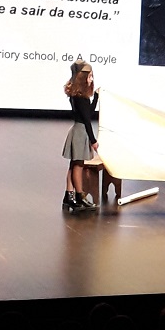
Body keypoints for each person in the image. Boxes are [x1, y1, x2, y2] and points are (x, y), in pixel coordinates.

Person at [62, 57, 99, 214]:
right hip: (81, 132)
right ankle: (79, 196)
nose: (91, 80)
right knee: (78, 166)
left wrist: (95, 98)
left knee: (73, 165)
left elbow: (87, 114)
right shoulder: (81, 98)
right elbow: (87, 119)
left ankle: (69, 195)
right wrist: (93, 140)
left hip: (77, 130)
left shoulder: (76, 96)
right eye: (89, 77)